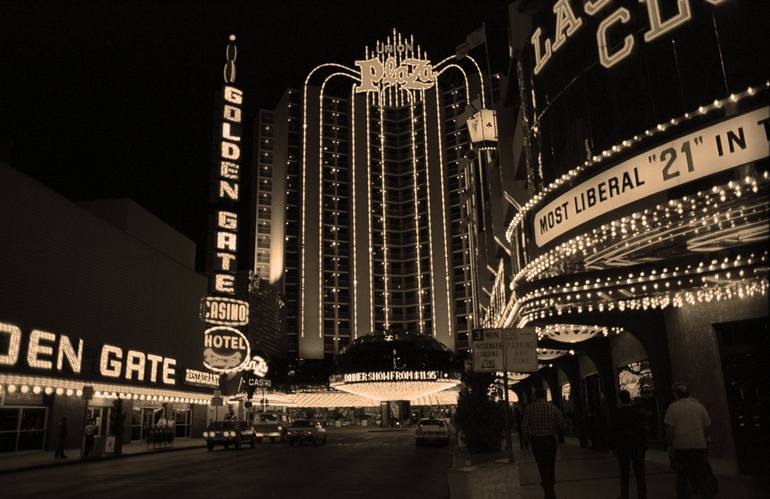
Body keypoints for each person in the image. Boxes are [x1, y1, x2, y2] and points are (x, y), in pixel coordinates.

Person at [664, 382, 716, 499]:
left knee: (682, 474)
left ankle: (685, 494)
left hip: (681, 445)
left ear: (676, 394)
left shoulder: (673, 408)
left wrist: (670, 445)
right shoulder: (699, 406)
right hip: (699, 443)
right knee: (702, 471)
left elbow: (670, 429)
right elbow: (707, 425)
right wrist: (703, 437)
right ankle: (706, 492)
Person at [522, 386, 567, 499]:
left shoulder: (530, 408)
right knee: (551, 464)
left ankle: (547, 488)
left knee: (541, 465)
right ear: (545, 395)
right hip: (550, 440)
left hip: (537, 441)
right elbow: (562, 425)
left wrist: (529, 438)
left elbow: (524, 426)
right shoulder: (553, 408)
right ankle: (550, 487)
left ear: (535, 396)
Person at [612, 390, 647, 499]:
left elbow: (614, 432)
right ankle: (642, 494)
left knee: (624, 472)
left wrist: (614, 447)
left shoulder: (618, 414)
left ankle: (624, 495)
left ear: (620, 400)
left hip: (623, 447)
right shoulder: (637, 413)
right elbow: (643, 430)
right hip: (637, 446)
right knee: (640, 472)